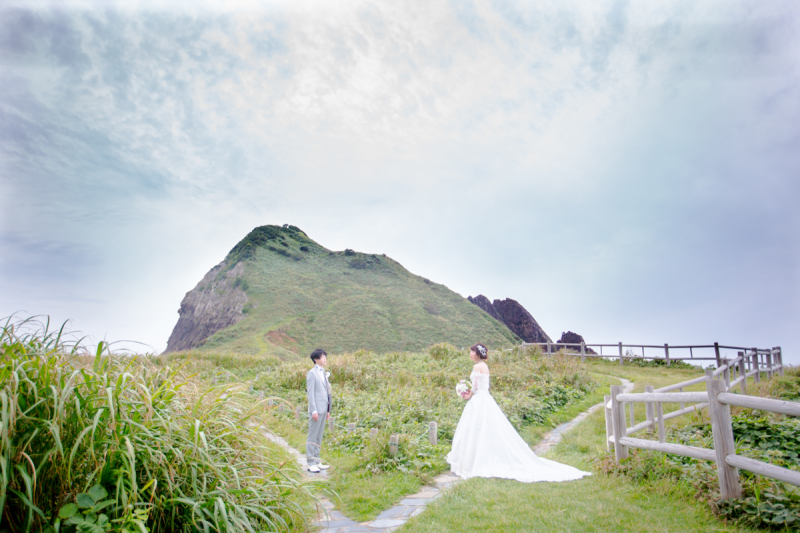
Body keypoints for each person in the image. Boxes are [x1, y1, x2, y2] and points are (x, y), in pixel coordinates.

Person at [446, 343, 591, 483]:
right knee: (485, 428)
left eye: (471, 351)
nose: (470, 354)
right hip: (485, 398)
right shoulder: (484, 366)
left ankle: (471, 461)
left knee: (475, 428)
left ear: (477, 353)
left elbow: (476, 387)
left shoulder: (477, 367)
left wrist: (467, 394)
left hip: (478, 400)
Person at [306, 348, 332, 473]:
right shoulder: (312, 373)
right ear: (316, 359)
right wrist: (313, 410)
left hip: (324, 409)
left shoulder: (323, 373)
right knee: (312, 436)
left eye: (325, 356)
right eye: (322, 357)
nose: (325, 359)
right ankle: (310, 462)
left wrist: (328, 410)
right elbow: (311, 394)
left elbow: (326, 392)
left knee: (319, 436)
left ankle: (317, 460)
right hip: (316, 410)